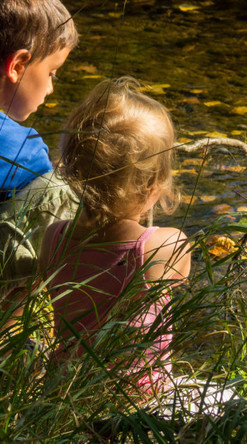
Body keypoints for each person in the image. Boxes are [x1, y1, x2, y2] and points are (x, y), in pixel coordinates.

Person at [38, 76, 233, 417]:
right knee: (229, 400)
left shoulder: (53, 238)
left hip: (66, 387)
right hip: (138, 398)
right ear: (151, 187)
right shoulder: (164, 244)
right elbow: (178, 274)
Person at [0, 0, 78, 333]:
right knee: (55, 194)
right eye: (50, 73)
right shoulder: (23, 148)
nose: (50, 89)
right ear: (17, 65)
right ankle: (12, 335)